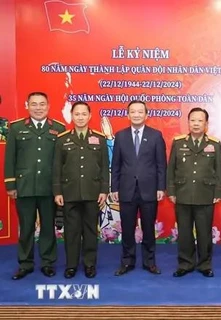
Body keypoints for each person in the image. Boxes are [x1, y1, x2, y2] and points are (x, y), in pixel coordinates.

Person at [4, 92, 65, 280]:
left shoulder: (58, 128)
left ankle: (47, 262)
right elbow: (9, 159)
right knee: (26, 227)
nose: (38, 108)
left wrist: (59, 188)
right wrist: (11, 184)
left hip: (49, 188)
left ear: (48, 106)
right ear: (26, 105)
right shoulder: (16, 128)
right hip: (25, 187)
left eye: (42, 104)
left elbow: (62, 162)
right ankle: (25, 263)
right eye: (34, 104)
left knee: (48, 227)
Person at [52, 101, 109, 278]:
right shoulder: (63, 140)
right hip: (70, 193)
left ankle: (90, 264)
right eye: (77, 114)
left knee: (91, 230)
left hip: (92, 193)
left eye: (84, 114)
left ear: (90, 116)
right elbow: (57, 168)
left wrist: (104, 190)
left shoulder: (99, 139)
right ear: (72, 116)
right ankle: (71, 265)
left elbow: (104, 167)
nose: (80, 117)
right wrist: (58, 192)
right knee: (71, 231)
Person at [111, 100, 167, 276]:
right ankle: (127, 262)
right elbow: (116, 165)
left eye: (140, 111)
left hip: (149, 190)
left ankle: (149, 262)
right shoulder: (120, 136)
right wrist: (114, 188)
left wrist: (161, 187)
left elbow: (161, 165)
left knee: (149, 228)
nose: (136, 114)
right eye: (133, 112)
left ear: (146, 114)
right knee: (127, 228)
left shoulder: (156, 135)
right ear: (128, 115)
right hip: (126, 190)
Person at [167, 108, 221, 278]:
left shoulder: (214, 144)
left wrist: (218, 191)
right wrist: (171, 190)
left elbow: (219, 170)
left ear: (206, 124)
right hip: (182, 193)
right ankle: (185, 264)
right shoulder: (178, 143)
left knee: (204, 232)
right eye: (193, 120)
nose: (196, 124)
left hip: (205, 194)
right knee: (184, 232)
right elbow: (171, 169)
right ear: (188, 122)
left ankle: (205, 264)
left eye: (200, 121)